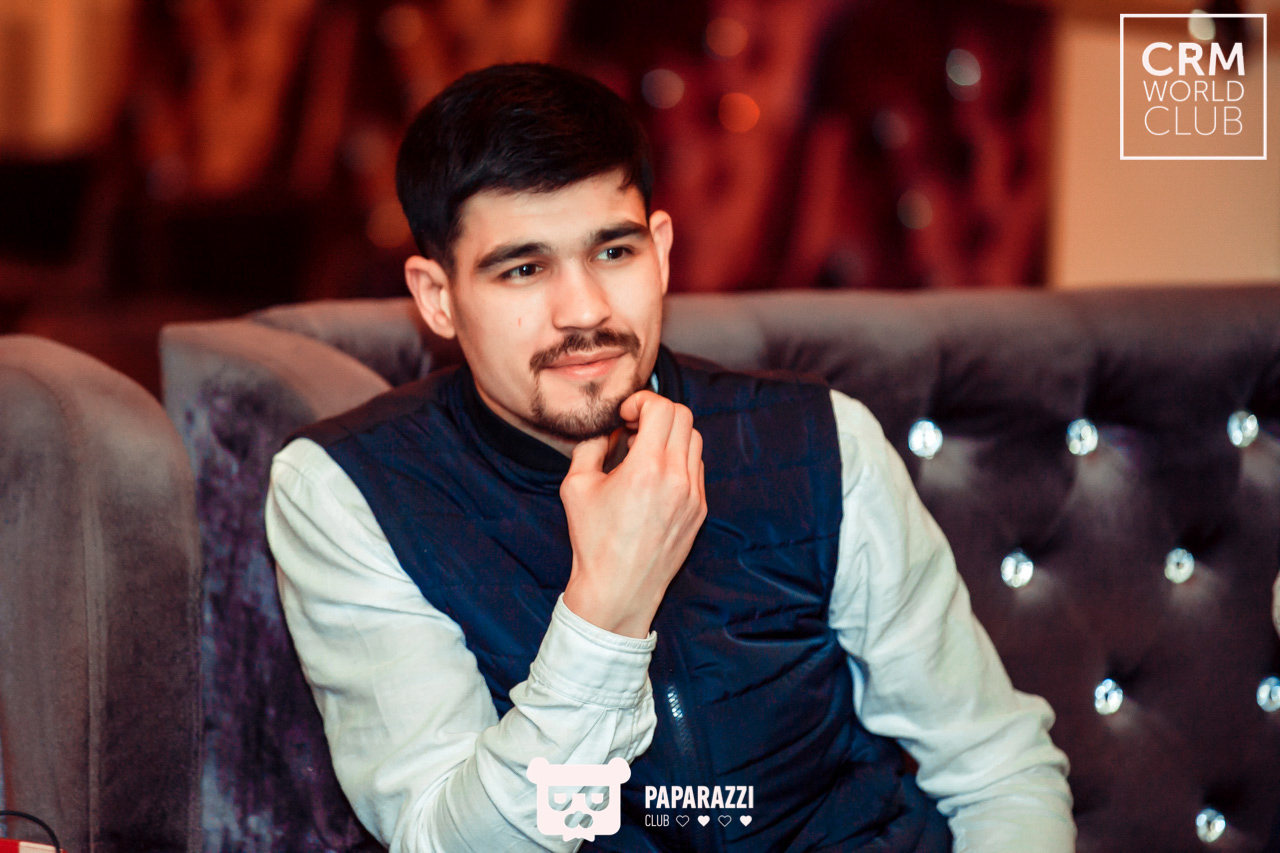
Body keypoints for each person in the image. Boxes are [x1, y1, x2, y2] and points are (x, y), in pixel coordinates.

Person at [265, 62, 1075, 852]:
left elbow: (998, 771)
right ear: (438, 297)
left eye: (613, 253)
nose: (583, 311)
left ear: (659, 250)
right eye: (524, 268)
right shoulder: (350, 492)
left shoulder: (820, 439)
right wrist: (605, 613)